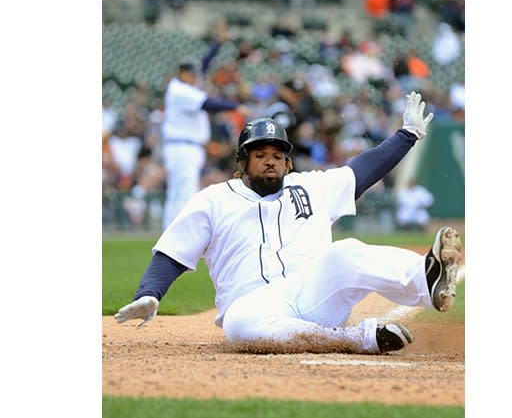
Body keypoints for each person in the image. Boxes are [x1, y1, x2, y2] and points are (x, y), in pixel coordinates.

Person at [115, 92, 463, 355]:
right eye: (260, 155)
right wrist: (149, 293)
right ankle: (360, 339)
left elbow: (362, 170)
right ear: (242, 162)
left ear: (288, 162)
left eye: (277, 156)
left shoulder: (310, 186)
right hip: (257, 310)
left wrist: (406, 135)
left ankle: (426, 278)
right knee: (239, 323)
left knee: (345, 252)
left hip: (315, 295)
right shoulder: (214, 200)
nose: (270, 163)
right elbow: (173, 252)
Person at [161, 19, 250, 229]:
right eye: (192, 74)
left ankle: (170, 233)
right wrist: (234, 107)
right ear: (183, 74)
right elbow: (208, 103)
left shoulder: (183, 85)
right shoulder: (179, 90)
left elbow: (203, 64)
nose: (196, 77)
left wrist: (218, 44)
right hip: (182, 147)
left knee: (179, 192)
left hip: (184, 147)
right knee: (183, 193)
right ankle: (176, 235)